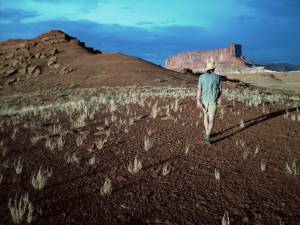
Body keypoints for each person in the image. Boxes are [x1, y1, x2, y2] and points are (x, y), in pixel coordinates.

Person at [197, 61, 222, 144]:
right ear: (214, 68)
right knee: (211, 120)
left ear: (207, 68)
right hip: (213, 100)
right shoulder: (217, 77)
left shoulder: (201, 77)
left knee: (205, 117)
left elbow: (199, 89)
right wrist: (219, 99)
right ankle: (207, 135)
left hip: (204, 100)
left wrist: (198, 100)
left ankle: (207, 133)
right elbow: (220, 90)